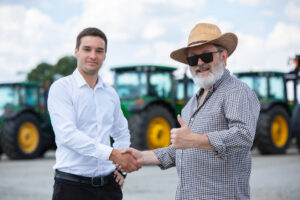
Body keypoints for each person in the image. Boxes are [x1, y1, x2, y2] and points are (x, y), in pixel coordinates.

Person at [118, 23, 260, 200]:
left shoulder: (237, 91)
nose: (200, 63)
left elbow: (244, 135)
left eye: (206, 56)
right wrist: (141, 156)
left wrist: (194, 140)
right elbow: (180, 150)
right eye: (193, 60)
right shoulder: (190, 105)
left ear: (223, 57)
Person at [48, 27, 140, 200]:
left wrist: (121, 169)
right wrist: (113, 155)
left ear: (105, 55)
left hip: (108, 187)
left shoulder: (110, 93)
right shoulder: (61, 88)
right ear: (76, 51)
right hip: (71, 187)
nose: (93, 55)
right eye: (87, 49)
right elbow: (67, 135)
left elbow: (121, 132)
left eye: (99, 51)